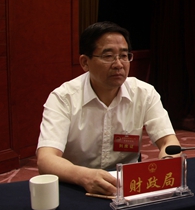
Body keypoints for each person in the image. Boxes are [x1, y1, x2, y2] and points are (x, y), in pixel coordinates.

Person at [36, 22, 180, 196]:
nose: (118, 64)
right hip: (78, 185)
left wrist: (167, 163)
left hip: (127, 187)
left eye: (124, 56)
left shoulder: (144, 93)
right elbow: (46, 159)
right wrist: (83, 176)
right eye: (108, 56)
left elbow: (168, 142)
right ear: (85, 62)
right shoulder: (63, 98)